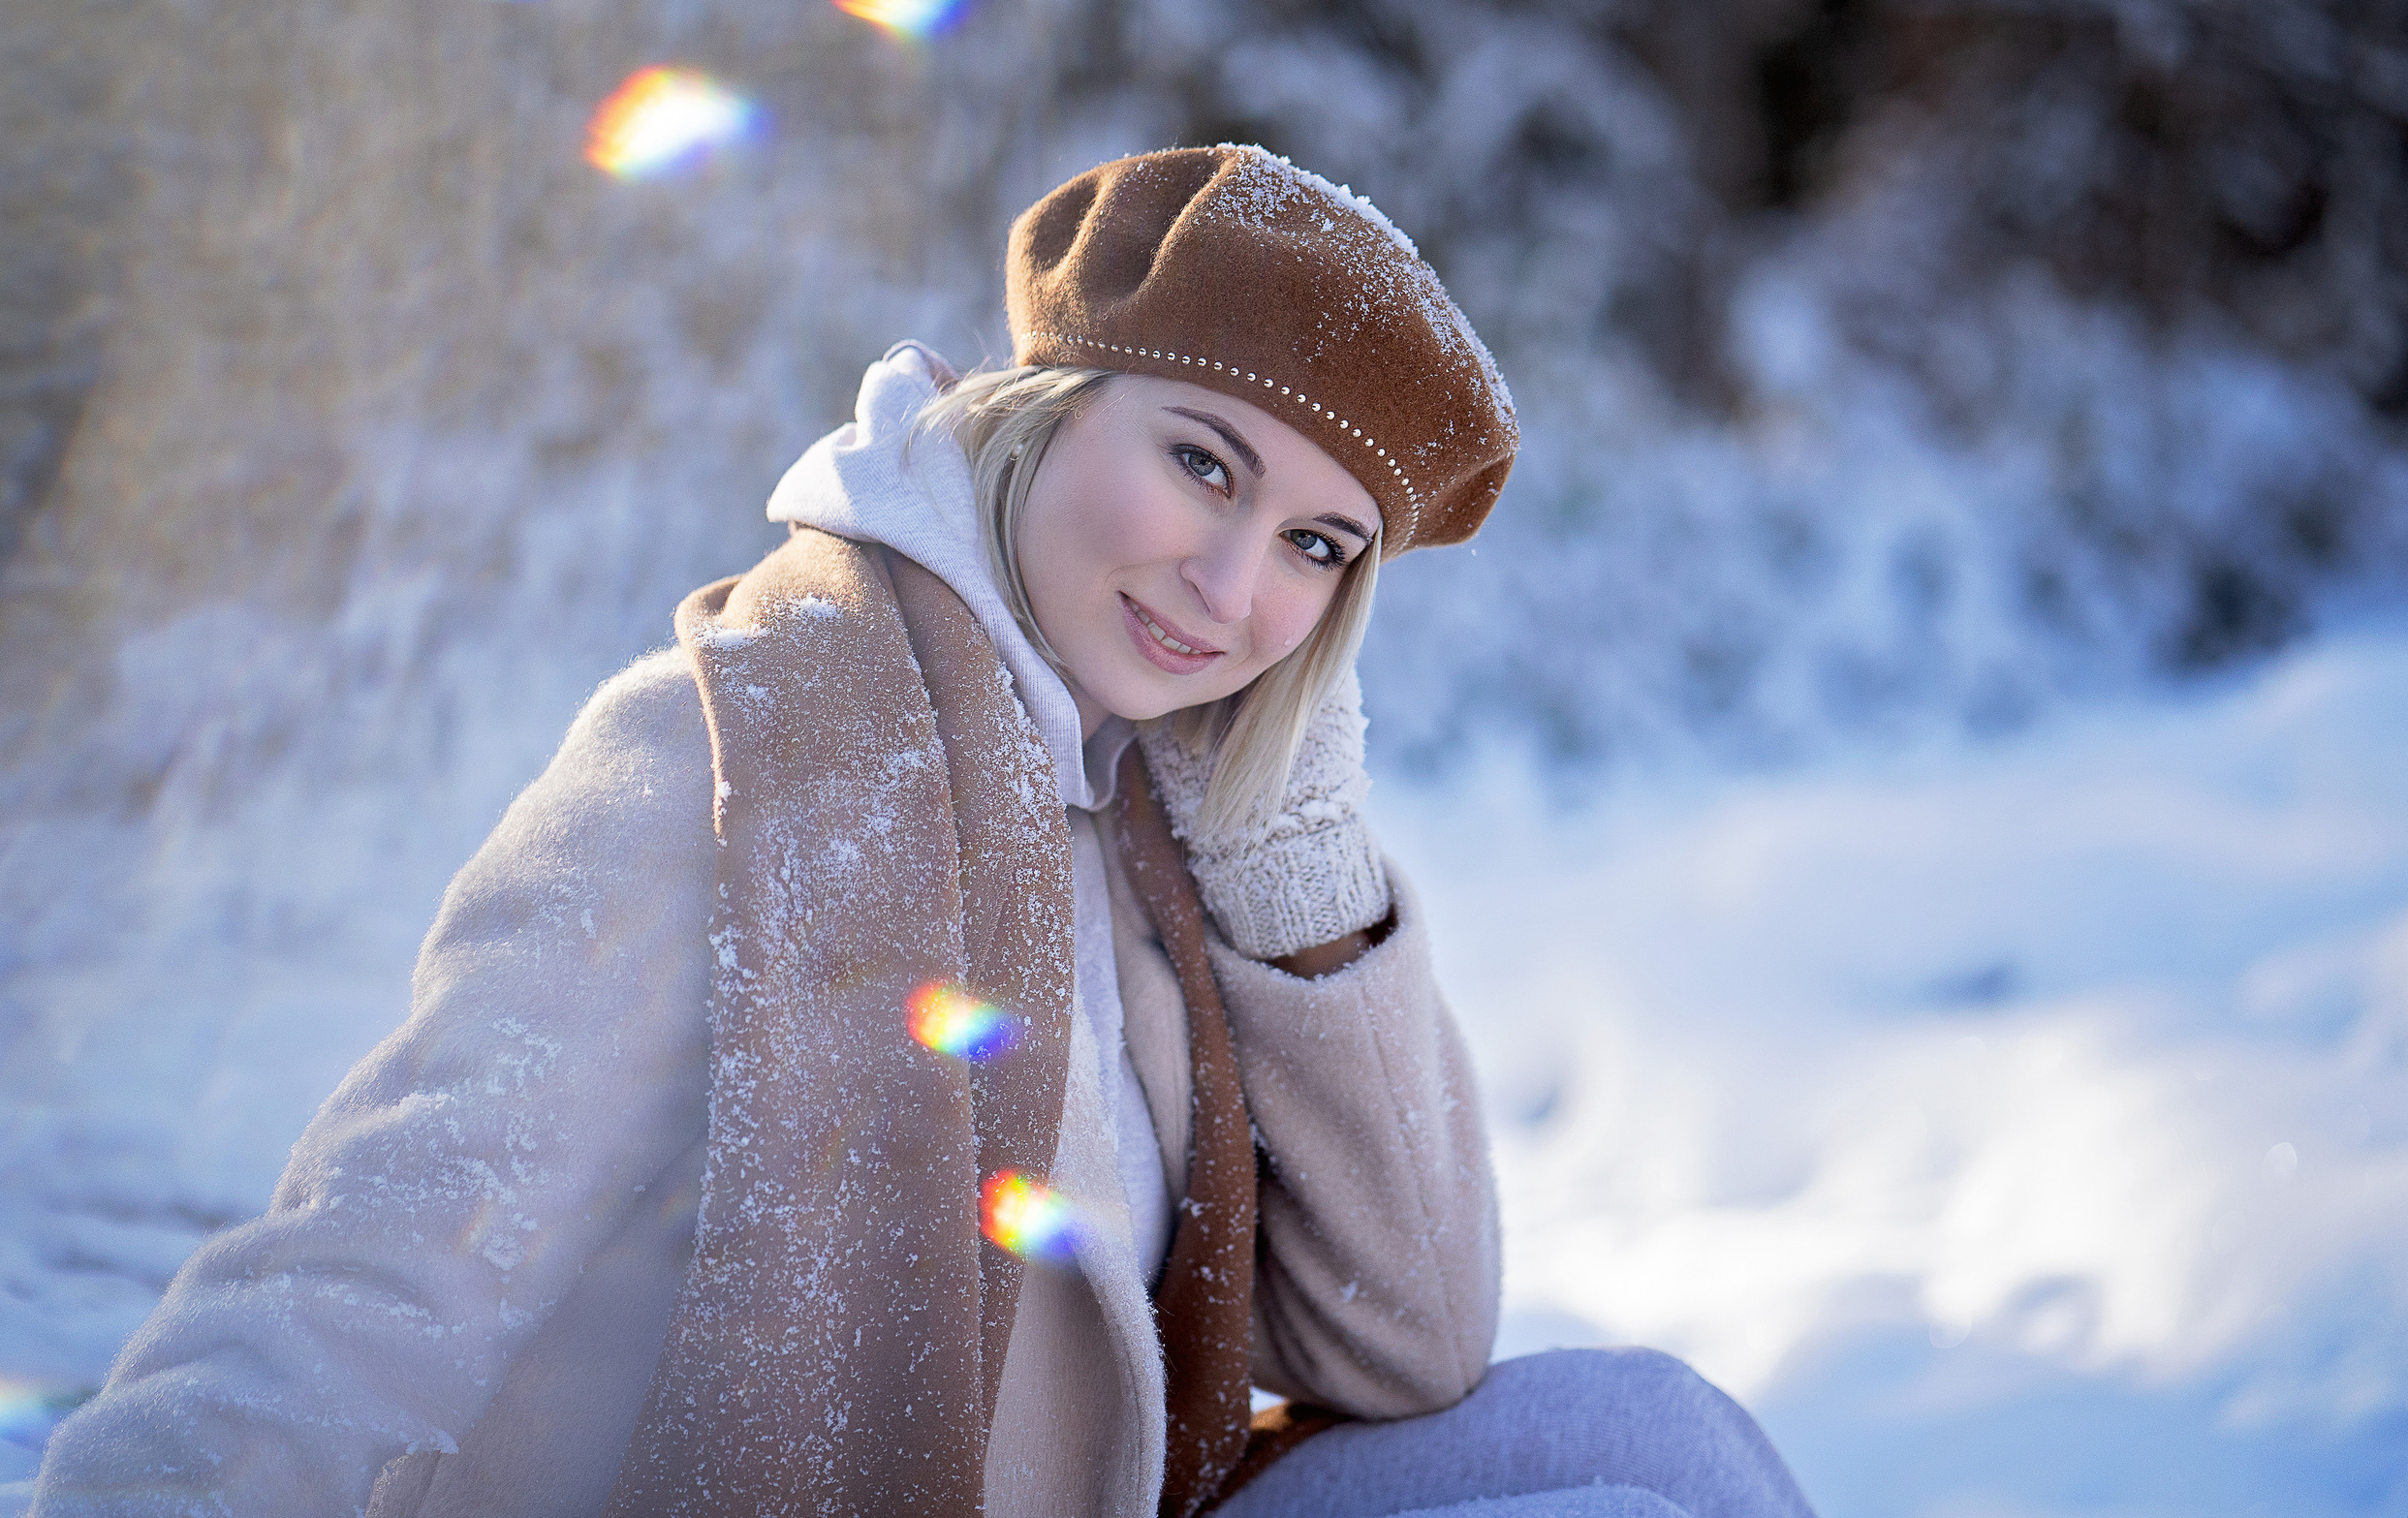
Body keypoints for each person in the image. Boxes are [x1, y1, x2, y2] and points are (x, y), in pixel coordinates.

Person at [31, 145, 1815, 1518]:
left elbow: (1404, 1343)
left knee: (1664, 1436)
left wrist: (1300, 866)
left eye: (1316, 547)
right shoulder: (753, 738)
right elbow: (386, 1252)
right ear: (1048, 413)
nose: (1229, 579)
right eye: (1202, 461)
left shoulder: (1154, 808)